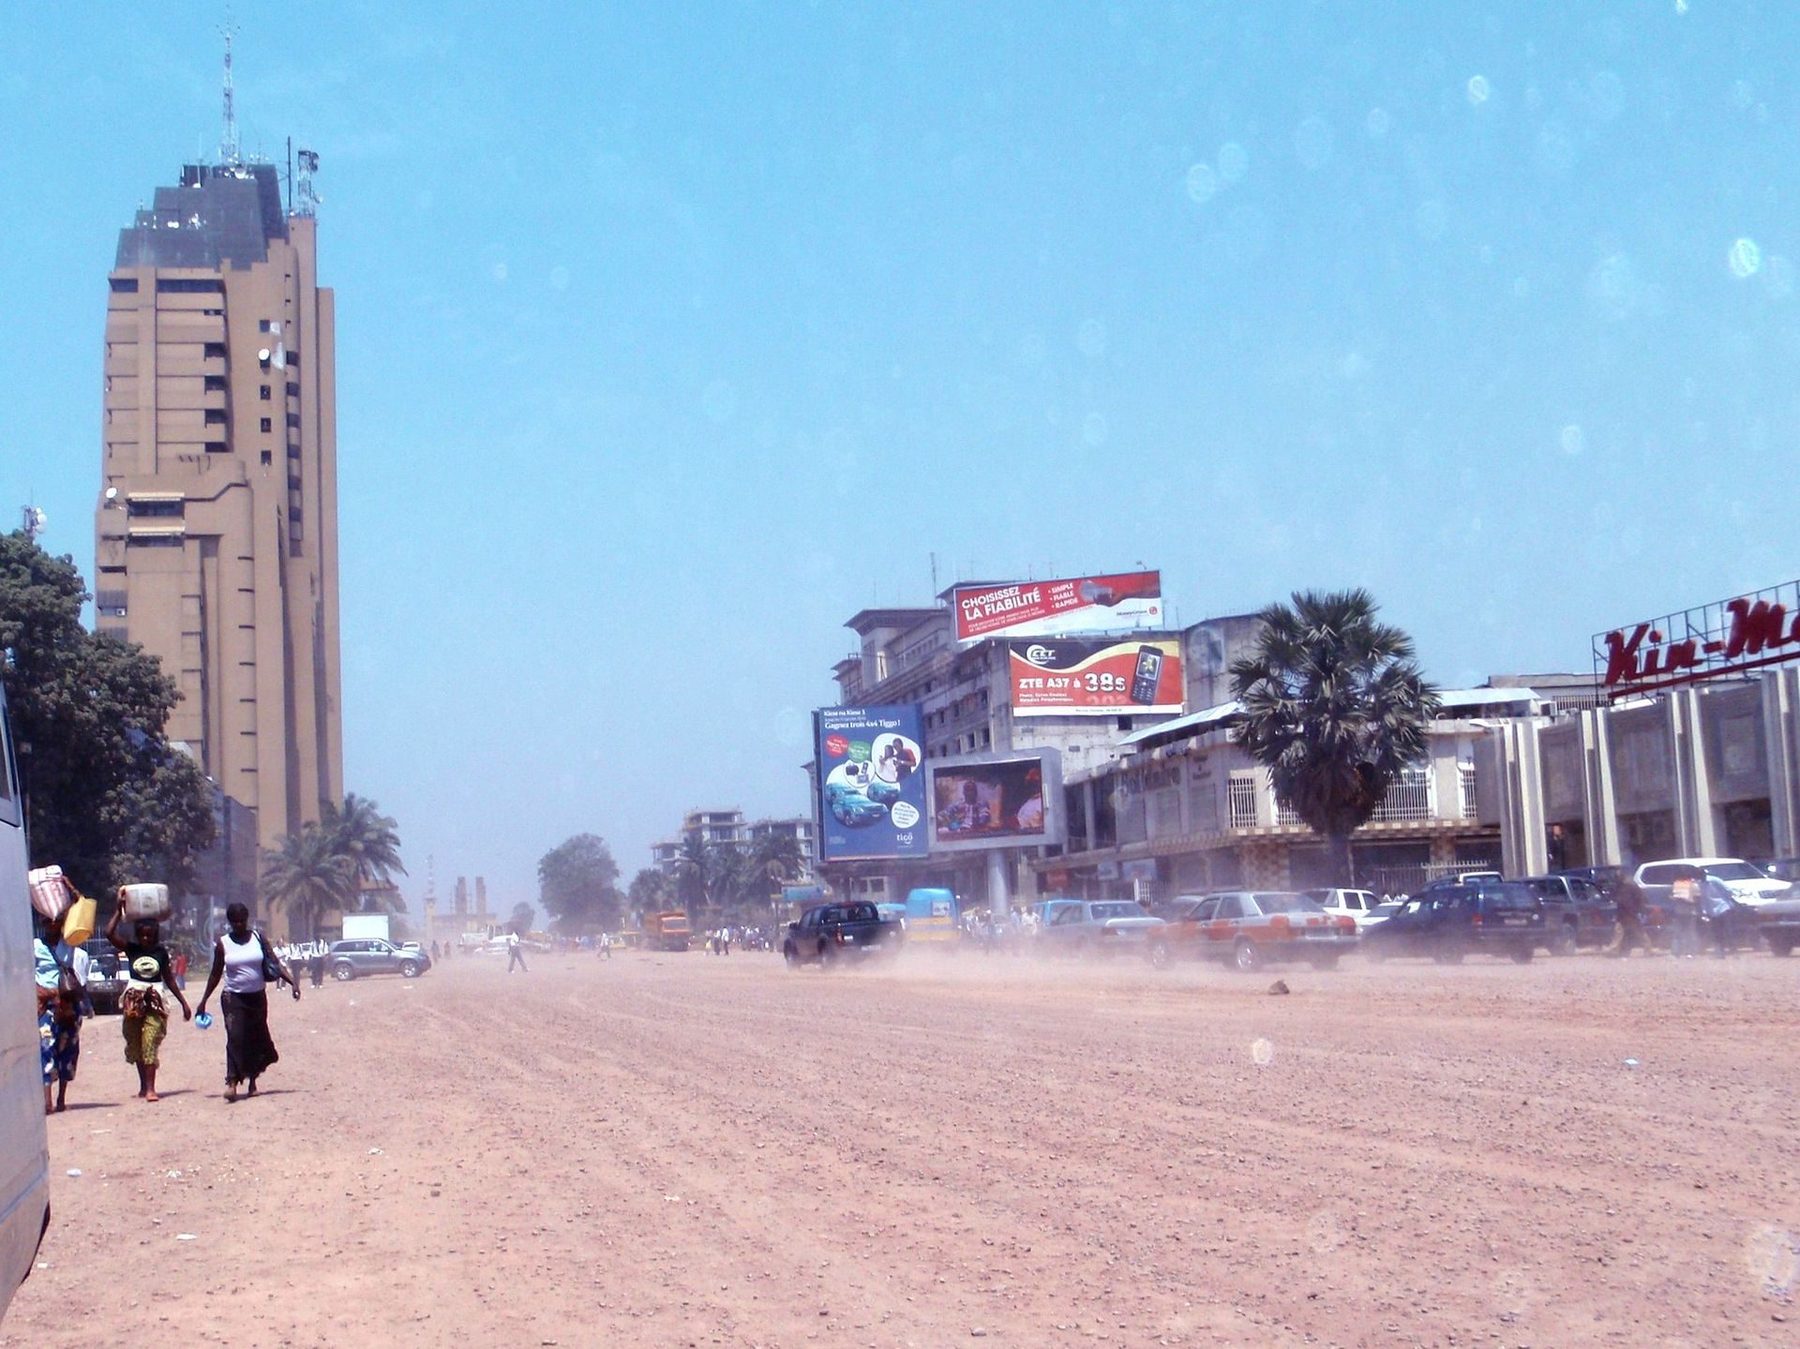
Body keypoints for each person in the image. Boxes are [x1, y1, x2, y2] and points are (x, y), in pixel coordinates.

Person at [195, 903, 299, 1102]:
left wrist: (293, 982)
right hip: (233, 997)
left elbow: (274, 963)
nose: (239, 925)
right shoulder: (223, 943)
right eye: (235, 922)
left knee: (255, 1037)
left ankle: (252, 1082)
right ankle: (232, 1082)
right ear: (230, 922)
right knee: (235, 1037)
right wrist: (204, 1000)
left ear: (247, 919)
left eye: (242, 921)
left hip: (257, 997)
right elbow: (215, 974)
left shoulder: (258, 938)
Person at [104, 904, 191, 1102]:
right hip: (134, 1001)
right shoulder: (131, 949)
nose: (146, 938)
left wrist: (184, 1003)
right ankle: (143, 1086)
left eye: (150, 935)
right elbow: (109, 933)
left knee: (150, 1040)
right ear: (137, 935)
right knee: (135, 1042)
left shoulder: (160, 952)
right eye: (143, 935)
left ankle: (151, 1089)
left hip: (155, 1001)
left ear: (155, 935)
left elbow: (169, 979)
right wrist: (118, 909)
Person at [33, 911, 90, 1115]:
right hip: (47, 1006)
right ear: (43, 923)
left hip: (68, 1004)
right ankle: (47, 1100)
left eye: (56, 920)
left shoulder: (71, 944)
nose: (52, 924)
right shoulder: (35, 947)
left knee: (68, 1049)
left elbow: (83, 914)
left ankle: (61, 1099)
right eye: (48, 921)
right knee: (46, 1048)